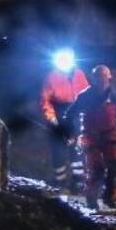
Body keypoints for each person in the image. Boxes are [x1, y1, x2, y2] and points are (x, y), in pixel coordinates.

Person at [64, 65, 116, 210]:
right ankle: (91, 198)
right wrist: (69, 132)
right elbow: (70, 114)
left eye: (103, 76)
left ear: (109, 76)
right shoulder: (85, 95)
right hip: (89, 136)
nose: (101, 79)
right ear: (94, 78)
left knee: (114, 165)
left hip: (109, 134)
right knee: (96, 169)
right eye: (98, 76)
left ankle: (108, 195)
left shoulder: (114, 95)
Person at [39, 50, 90, 191]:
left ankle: (78, 182)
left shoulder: (79, 75)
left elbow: (87, 96)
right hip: (59, 115)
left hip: (75, 115)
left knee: (77, 149)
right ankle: (60, 181)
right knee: (59, 150)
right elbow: (45, 100)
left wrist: (86, 116)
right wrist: (51, 118)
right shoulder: (52, 77)